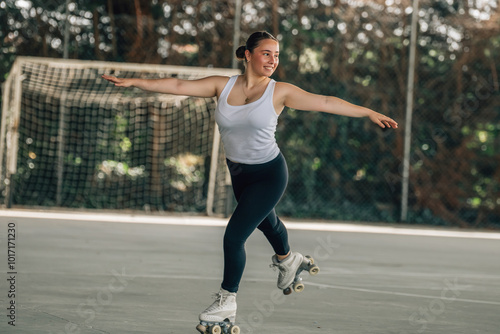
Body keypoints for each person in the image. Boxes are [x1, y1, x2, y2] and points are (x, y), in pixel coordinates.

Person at [102, 31, 398, 327]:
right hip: (239, 174)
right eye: (266, 53)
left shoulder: (279, 91)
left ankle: (226, 301)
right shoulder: (222, 85)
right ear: (248, 54)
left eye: (277, 55)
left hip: (270, 173)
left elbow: (325, 101)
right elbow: (179, 85)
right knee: (267, 222)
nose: (273, 60)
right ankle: (288, 260)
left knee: (234, 237)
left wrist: (368, 112)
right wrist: (134, 82)